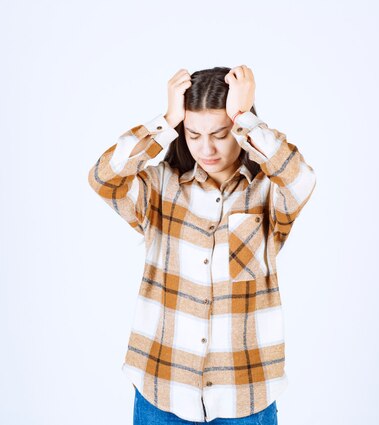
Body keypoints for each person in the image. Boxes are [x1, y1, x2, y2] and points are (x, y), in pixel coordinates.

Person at [87, 65, 316, 424]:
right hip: (162, 391)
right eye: (193, 134)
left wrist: (246, 118)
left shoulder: (267, 191)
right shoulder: (162, 187)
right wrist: (164, 121)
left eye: (221, 134)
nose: (206, 148)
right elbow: (104, 177)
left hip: (244, 395)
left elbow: (301, 179)